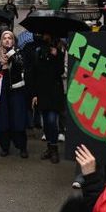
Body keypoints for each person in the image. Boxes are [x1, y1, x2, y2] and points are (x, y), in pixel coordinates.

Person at [0, 30, 28, 158]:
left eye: (10, 38)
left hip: (16, 90)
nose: (7, 40)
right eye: (5, 38)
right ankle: (4, 146)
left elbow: (22, 66)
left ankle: (22, 147)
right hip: (1, 91)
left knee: (18, 119)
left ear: (13, 40)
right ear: (1, 40)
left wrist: (11, 55)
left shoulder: (18, 53)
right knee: (3, 120)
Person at [31, 33, 65, 164]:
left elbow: (60, 71)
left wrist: (56, 56)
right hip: (42, 92)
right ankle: (50, 148)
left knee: (52, 120)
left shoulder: (59, 52)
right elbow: (34, 72)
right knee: (45, 121)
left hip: (54, 92)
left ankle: (54, 147)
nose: (45, 37)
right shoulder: (38, 52)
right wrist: (34, 94)